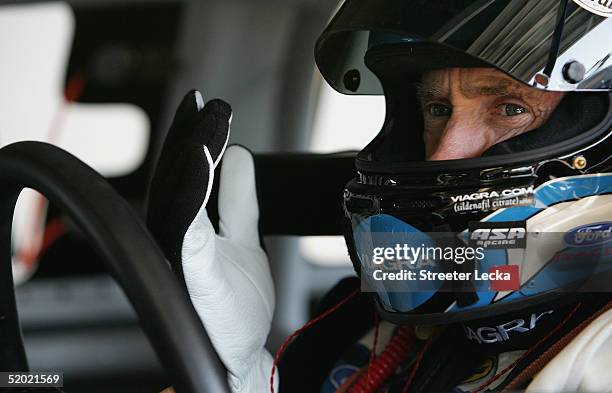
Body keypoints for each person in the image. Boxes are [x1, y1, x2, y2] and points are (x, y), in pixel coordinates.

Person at [150, 0, 612, 392]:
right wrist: (242, 379)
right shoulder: (359, 321)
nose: (442, 155)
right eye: (436, 109)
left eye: (511, 108)